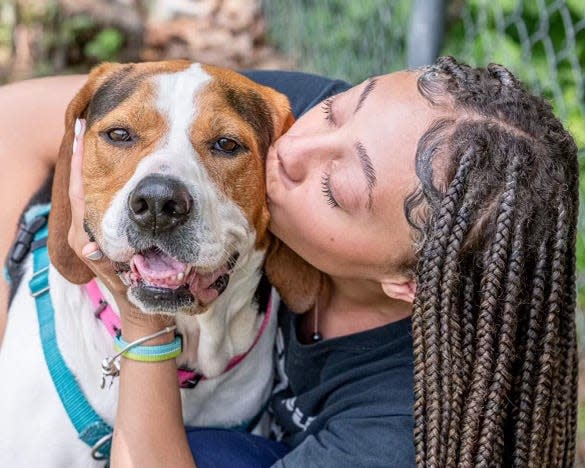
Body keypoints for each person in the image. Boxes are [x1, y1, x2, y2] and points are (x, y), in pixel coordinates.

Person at [0, 56, 579, 467]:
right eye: (336, 113)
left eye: (340, 187)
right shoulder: (285, 115)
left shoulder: (395, 427)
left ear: (408, 281)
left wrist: (141, 312)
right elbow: (15, 117)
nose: (291, 146)